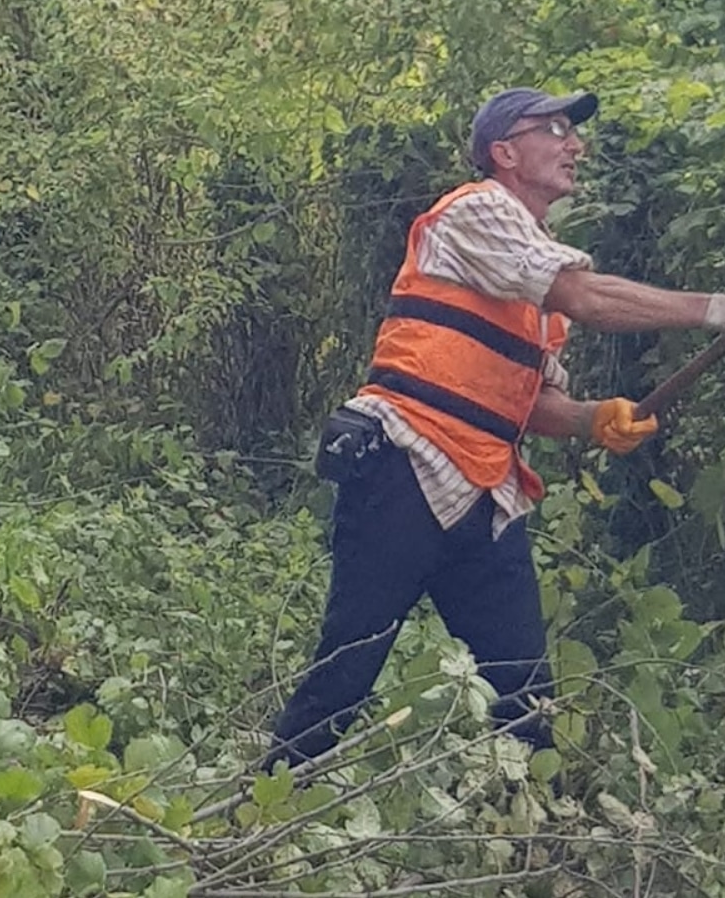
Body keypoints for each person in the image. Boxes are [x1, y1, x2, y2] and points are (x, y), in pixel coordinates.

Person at [267, 86, 725, 771]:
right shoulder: (478, 210)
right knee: (349, 666)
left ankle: (529, 834)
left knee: (524, 689)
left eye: (575, 133)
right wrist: (712, 306)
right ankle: (264, 804)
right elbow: (588, 296)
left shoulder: (536, 269)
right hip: (407, 464)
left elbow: (535, 405)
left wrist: (593, 419)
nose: (576, 144)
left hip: (487, 492)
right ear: (504, 152)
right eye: (555, 130)